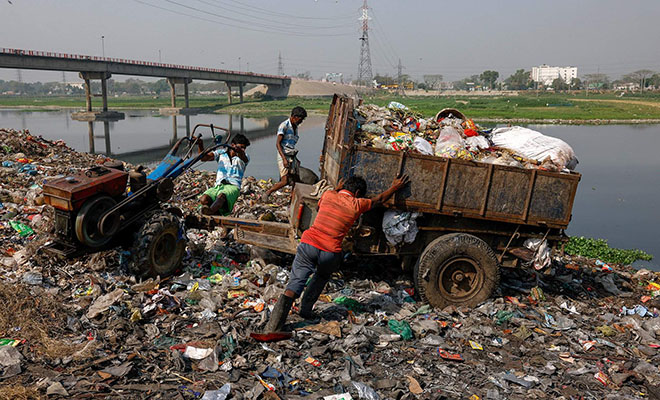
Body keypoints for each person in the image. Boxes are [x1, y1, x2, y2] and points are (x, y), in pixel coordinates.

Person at [264, 174, 410, 333]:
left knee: (295, 283)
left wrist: (337, 189)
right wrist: (395, 186)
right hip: (330, 252)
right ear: (358, 192)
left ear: (344, 187)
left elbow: (320, 208)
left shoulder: (328, 195)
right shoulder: (357, 204)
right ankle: (305, 311)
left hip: (309, 245)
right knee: (320, 277)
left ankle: (274, 326)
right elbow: (380, 199)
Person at [198, 134, 251, 216]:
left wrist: (239, 151)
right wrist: (200, 144)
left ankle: (210, 213)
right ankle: (215, 213)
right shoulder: (221, 153)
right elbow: (203, 158)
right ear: (232, 145)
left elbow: (243, 157)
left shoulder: (244, 157)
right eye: (240, 147)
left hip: (233, 186)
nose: (242, 149)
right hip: (219, 185)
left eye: (244, 148)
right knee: (204, 199)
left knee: (221, 196)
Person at [262, 106, 307, 201]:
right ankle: (267, 193)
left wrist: (295, 159)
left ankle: (294, 199)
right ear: (294, 116)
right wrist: (284, 159)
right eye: (300, 119)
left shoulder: (295, 127)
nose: (301, 122)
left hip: (291, 155)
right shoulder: (284, 125)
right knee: (285, 181)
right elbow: (278, 144)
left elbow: (291, 145)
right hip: (283, 154)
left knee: (296, 179)